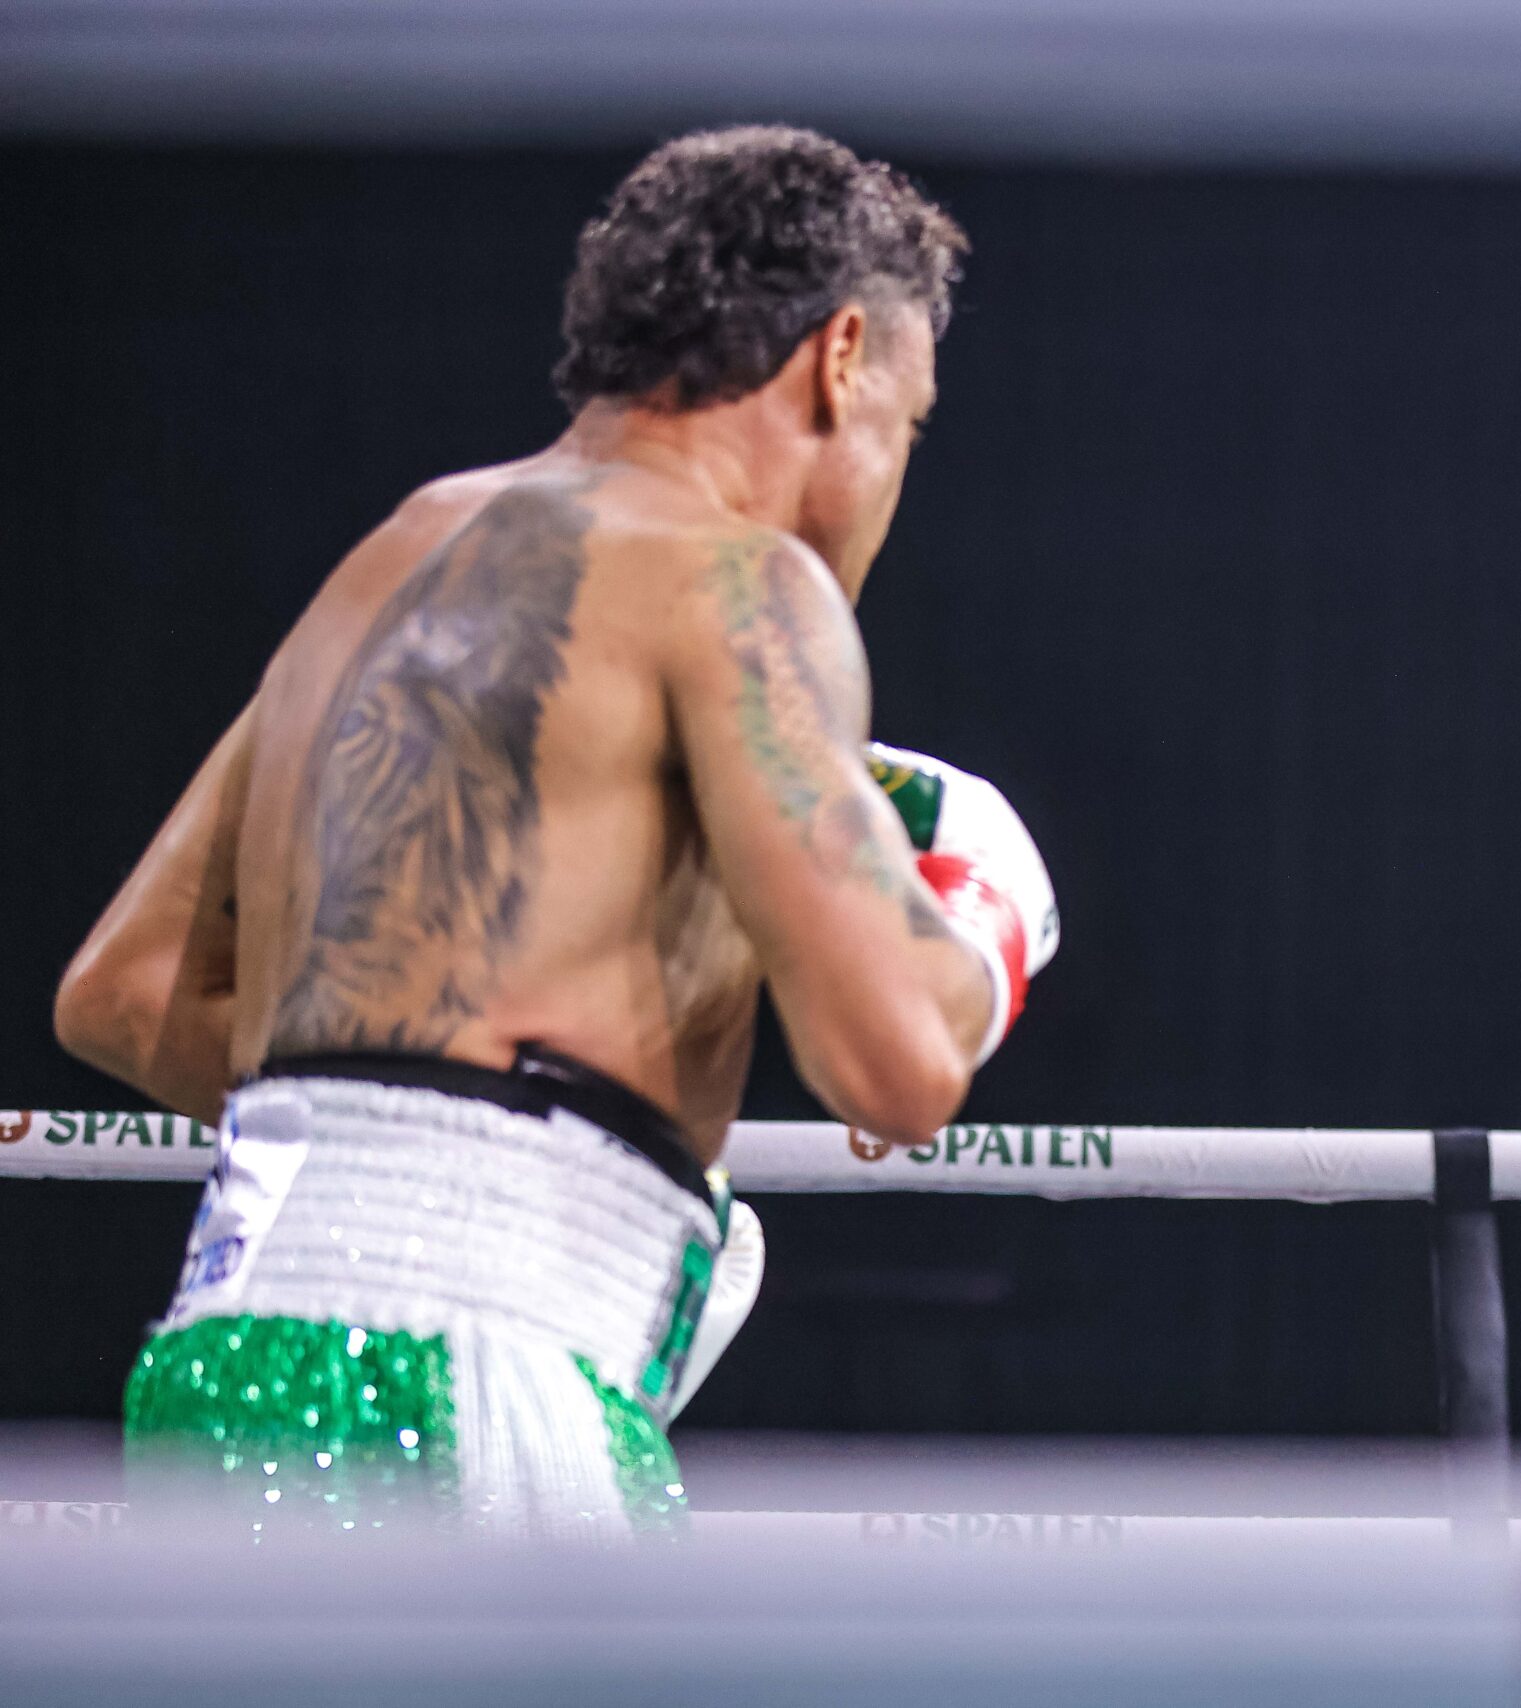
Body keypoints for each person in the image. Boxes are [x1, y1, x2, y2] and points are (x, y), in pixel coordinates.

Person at [53, 125, 1056, 1537]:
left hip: (225, 1364)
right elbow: (896, 1063)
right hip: (468, 1389)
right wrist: (988, 903)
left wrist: (542, 1182)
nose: (896, 474)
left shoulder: (391, 561)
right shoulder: (738, 583)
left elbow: (127, 989)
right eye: (910, 422)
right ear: (840, 360)